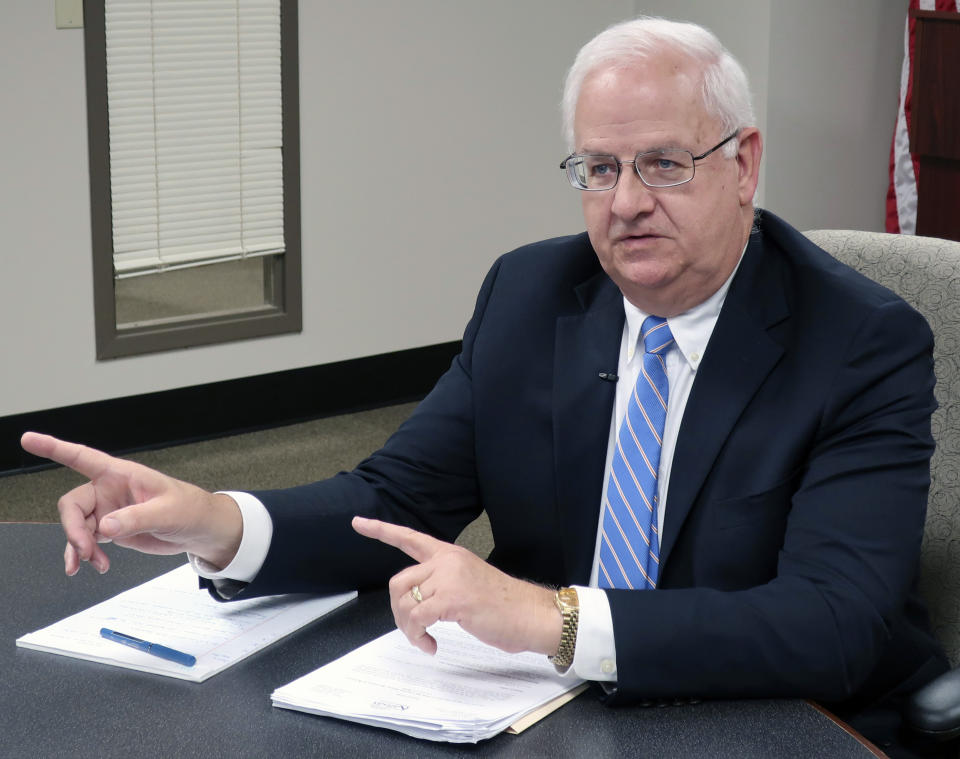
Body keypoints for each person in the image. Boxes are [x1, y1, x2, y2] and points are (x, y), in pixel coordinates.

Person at [21, 16, 946, 755]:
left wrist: (551, 616)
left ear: (743, 165)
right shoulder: (531, 293)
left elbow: (834, 621)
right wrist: (215, 520)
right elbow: (395, 498)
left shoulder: (860, 342)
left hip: (781, 720)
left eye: (664, 163)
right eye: (598, 168)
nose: (625, 202)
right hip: (550, 711)